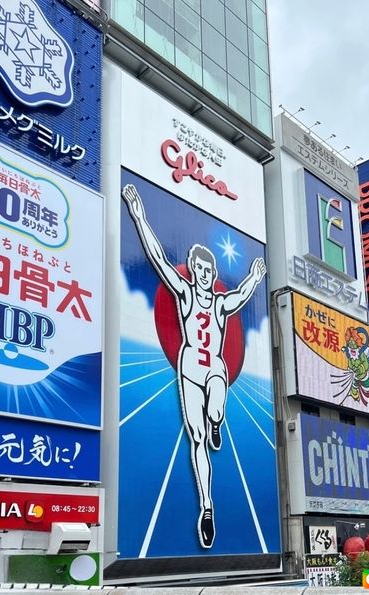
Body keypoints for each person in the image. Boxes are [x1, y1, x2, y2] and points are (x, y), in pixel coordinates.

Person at [122, 183, 266, 548]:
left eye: (207, 268)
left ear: (212, 272)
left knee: (216, 408)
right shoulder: (184, 294)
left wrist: (255, 276)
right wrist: (139, 216)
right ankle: (206, 505)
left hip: (214, 367)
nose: (202, 272)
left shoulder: (219, 303)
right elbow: (157, 259)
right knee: (196, 439)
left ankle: (217, 420)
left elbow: (243, 294)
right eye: (198, 267)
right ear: (194, 270)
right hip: (189, 368)